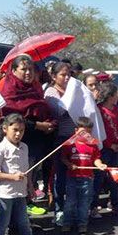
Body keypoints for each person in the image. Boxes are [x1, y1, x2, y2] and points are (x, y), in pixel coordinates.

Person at [0, 114, 55, 235]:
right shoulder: (1, 149)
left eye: (22, 130)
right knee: (3, 224)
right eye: (15, 130)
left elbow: (26, 170)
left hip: (21, 192)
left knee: (24, 223)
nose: (19, 134)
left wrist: (30, 186)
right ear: (5, 129)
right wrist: (12, 177)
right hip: (6, 193)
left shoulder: (24, 147)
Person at [0, 55, 55, 216]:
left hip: (35, 139)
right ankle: (10, 213)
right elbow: (11, 117)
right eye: (24, 69)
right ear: (14, 70)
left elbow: (40, 107)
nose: (28, 73)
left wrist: (49, 124)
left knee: (29, 175)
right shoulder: (9, 88)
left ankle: (24, 207)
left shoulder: (35, 87)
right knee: (16, 175)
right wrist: (38, 125)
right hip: (17, 139)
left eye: (31, 69)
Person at [60, 117, 107, 233]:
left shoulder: (93, 145)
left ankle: (82, 223)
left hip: (87, 178)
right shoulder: (70, 144)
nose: (86, 135)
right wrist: (69, 165)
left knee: (85, 202)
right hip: (72, 177)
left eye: (89, 132)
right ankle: (67, 223)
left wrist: (100, 165)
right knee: (70, 201)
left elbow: (96, 159)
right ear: (76, 131)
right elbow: (63, 158)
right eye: (83, 132)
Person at [44, 62, 75, 222]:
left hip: (75, 138)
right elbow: (61, 110)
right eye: (63, 74)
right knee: (60, 176)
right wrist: (73, 98)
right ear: (54, 76)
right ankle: (59, 209)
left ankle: (72, 208)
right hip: (60, 139)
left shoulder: (71, 90)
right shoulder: (51, 92)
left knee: (74, 175)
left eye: (69, 74)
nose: (67, 77)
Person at [94, 82, 118, 216]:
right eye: (116, 93)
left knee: (115, 177)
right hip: (104, 148)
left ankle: (115, 203)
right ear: (110, 95)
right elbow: (99, 130)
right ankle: (93, 205)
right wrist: (109, 144)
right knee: (98, 177)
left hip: (116, 148)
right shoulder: (99, 110)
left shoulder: (117, 109)